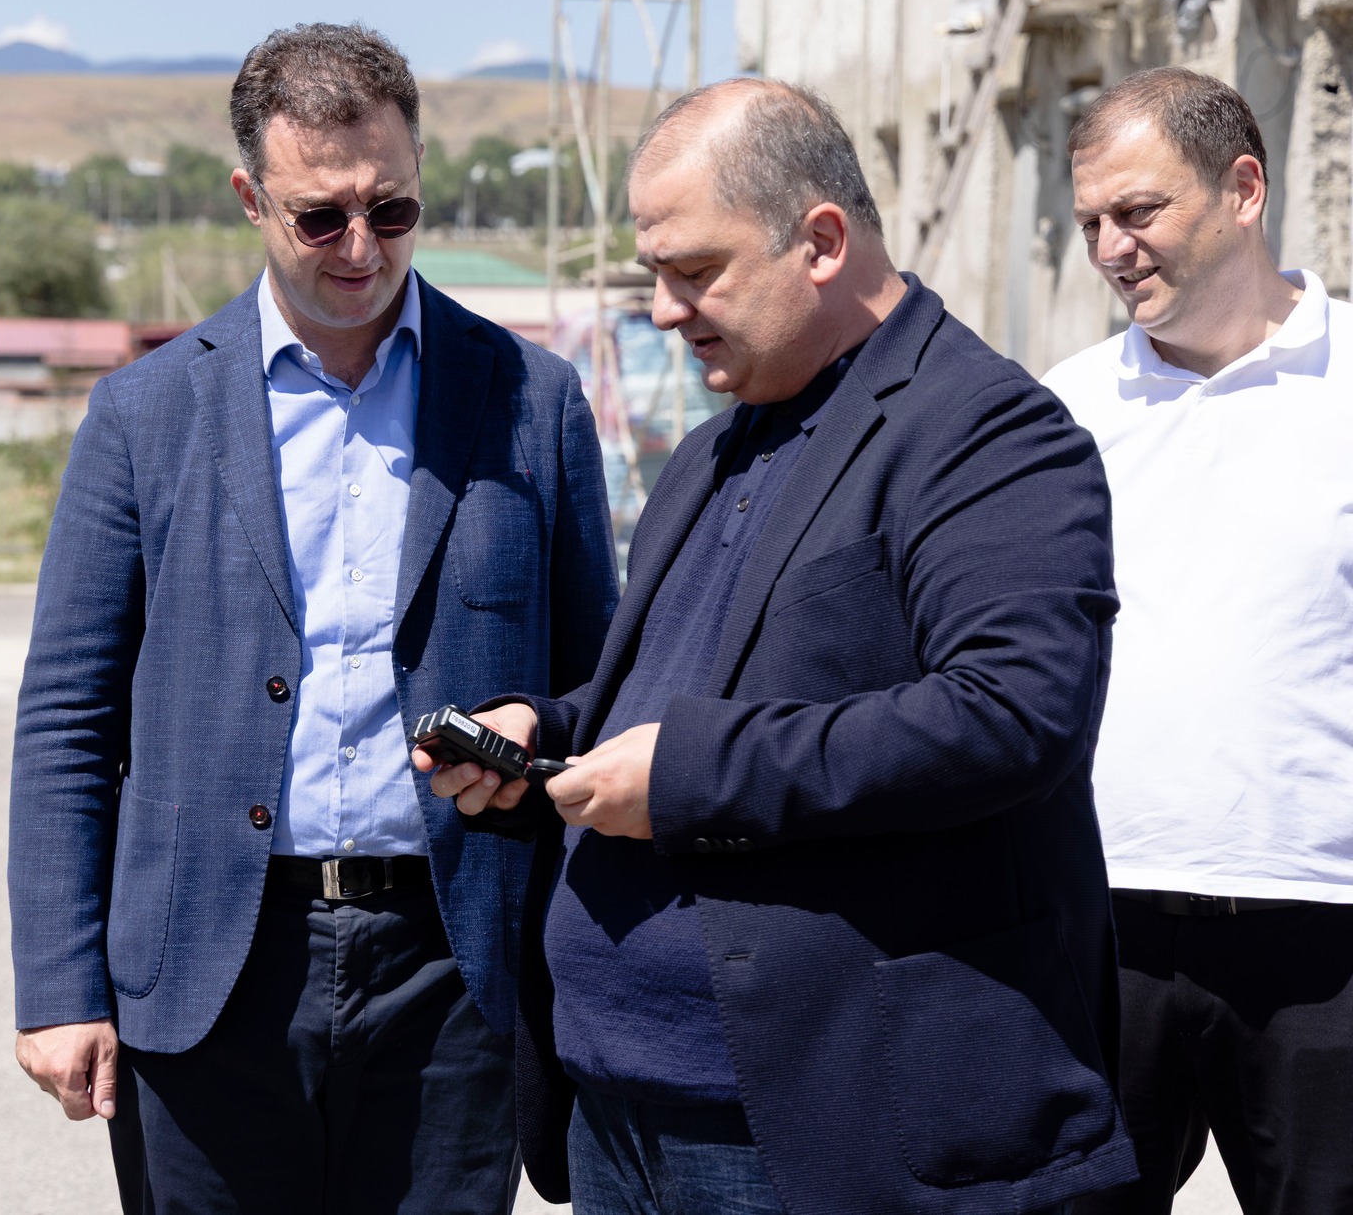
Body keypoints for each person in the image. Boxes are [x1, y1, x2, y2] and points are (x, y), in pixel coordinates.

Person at [420, 79, 1138, 1214]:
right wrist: (548, 736)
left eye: (695, 270)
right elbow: (686, 690)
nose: (665, 310)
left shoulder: (984, 431)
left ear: (821, 241)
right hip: (622, 1121)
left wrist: (687, 777)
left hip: (824, 1126)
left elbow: (1011, 713)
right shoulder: (716, 445)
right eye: (654, 274)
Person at [7, 22, 618, 1214]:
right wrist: (58, 984)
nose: (360, 246)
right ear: (250, 199)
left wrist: (535, 725)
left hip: (452, 972)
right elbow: (68, 720)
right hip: (210, 970)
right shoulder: (144, 414)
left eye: (391, 209)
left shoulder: (531, 402)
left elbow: (601, 681)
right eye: (319, 217)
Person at [1043, 68, 1353, 1215]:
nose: (1108, 249)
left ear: (1242, 189)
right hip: (1099, 927)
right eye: (1089, 223)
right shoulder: (1060, 412)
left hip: (1325, 936)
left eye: (1136, 211)